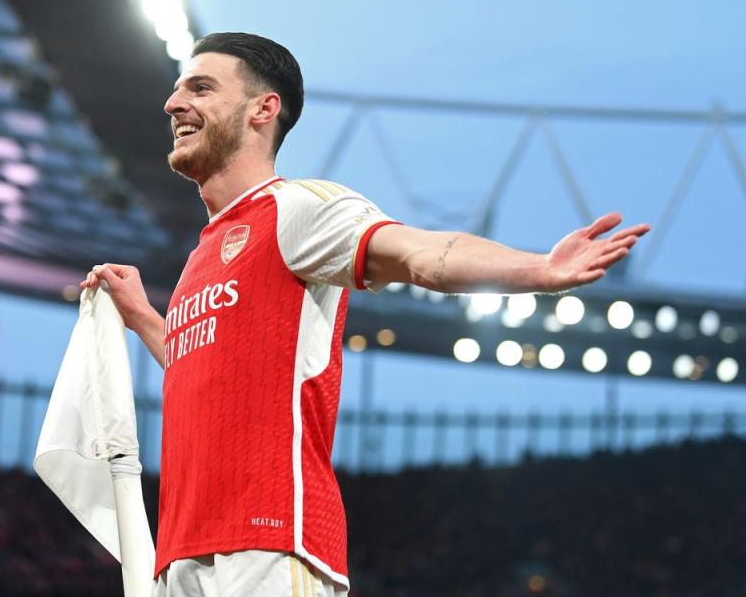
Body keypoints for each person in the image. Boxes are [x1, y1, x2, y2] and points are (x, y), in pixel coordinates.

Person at [81, 32, 650, 596]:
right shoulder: (202, 256)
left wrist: (539, 269)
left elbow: (419, 254)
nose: (173, 103)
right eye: (178, 89)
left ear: (263, 109)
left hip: (270, 548)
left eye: (201, 88)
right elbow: (201, 372)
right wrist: (146, 319)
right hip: (180, 555)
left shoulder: (295, 209)